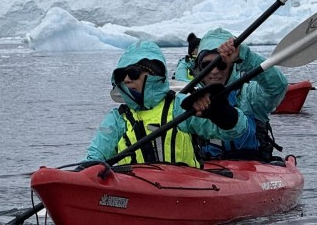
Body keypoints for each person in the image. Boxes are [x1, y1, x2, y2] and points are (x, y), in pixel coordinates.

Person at [84, 39, 256, 166]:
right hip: (136, 189)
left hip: (186, 187)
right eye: (121, 76)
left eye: (134, 73)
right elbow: (95, 156)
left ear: (153, 75)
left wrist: (220, 112)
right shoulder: (118, 118)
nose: (127, 80)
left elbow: (237, 130)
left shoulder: (180, 107)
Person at [189, 27, 289, 160]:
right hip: (208, 171)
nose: (214, 71)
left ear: (232, 65)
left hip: (253, 170)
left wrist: (245, 57)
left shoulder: (249, 95)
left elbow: (278, 86)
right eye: (207, 65)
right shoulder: (191, 99)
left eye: (221, 64)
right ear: (199, 67)